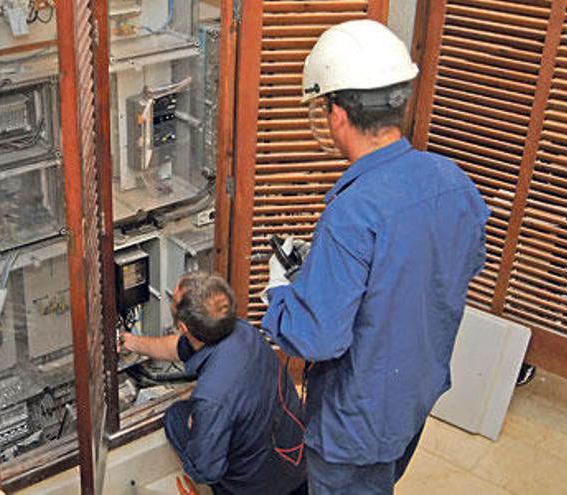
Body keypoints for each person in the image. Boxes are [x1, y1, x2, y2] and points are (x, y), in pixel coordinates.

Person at [261, 20, 490, 494]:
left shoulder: (351, 212)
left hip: (356, 423)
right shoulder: (453, 180)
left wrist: (282, 292)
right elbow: (454, 266)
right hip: (414, 394)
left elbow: (317, 338)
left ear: (337, 113)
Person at [120, 271, 307, 495]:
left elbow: (207, 470)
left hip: (259, 486)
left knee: (175, 418)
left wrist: (196, 419)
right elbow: (178, 347)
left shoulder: (212, 397)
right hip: (296, 457)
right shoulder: (243, 331)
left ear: (183, 328)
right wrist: (132, 342)